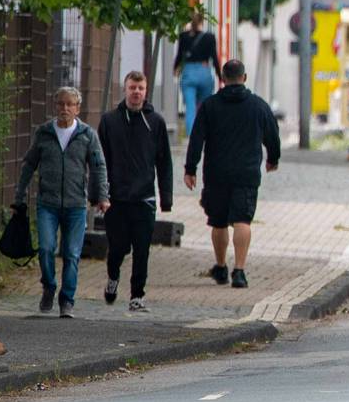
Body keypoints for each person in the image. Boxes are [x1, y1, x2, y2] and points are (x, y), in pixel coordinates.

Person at [184, 57, 279, 289]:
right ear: (244, 78)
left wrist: (190, 168)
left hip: (217, 174)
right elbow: (272, 135)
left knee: (218, 222)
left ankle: (220, 267)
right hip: (247, 174)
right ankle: (239, 270)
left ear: (222, 79)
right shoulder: (259, 106)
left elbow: (197, 139)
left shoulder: (210, 106)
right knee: (242, 220)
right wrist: (272, 159)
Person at [15, 87, 109, 316]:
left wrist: (102, 196)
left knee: (72, 253)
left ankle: (67, 300)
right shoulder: (44, 133)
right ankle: (48, 286)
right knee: (46, 248)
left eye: (70, 104)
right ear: (55, 106)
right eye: (60, 104)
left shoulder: (87, 135)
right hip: (48, 202)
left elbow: (98, 167)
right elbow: (29, 165)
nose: (65, 109)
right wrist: (19, 195)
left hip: (76, 203)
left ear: (77, 108)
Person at [96, 70, 172, 311]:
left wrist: (166, 197)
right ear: (125, 89)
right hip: (116, 198)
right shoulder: (109, 121)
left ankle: (137, 296)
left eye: (140, 88)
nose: (136, 92)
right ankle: (113, 278)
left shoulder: (156, 122)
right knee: (118, 246)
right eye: (132, 88)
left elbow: (164, 162)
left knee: (142, 249)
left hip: (144, 197)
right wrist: (99, 193)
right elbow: (100, 160)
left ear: (146, 90)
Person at [172, 18, 218, 129]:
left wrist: (175, 69)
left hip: (188, 72)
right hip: (204, 71)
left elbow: (179, 56)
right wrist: (220, 75)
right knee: (204, 107)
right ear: (202, 23)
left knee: (190, 107)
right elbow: (214, 58)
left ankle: (191, 136)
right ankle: (204, 133)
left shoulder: (183, 36)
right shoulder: (209, 37)